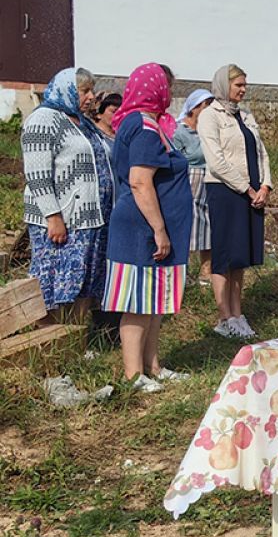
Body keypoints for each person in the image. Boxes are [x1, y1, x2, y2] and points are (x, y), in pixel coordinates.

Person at [102, 63, 193, 392]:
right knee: (138, 303)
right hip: (141, 227)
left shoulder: (148, 123)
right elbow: (140, 182)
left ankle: (152, 366)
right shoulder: (142, 126)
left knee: (153, 301)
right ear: (155, 88)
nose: (169, 92)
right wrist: (159, 228)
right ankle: (133, 375)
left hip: (151, 226)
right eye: (166, 85)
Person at [21, 67, 113, 324]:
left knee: (83, 280)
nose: (91, 96)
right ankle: (50, 338)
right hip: (61, 219)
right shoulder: (43, 119)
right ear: (67, 90)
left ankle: (77, 337)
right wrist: (53, 217)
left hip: (89, 219)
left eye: (91, 91)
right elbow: (37, 174)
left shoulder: (81, 122)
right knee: (51, 279)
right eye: (85, 91)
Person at [198, 64, 272, 339]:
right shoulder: (210, 116)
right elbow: (216, 161)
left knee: (241, 255)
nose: (243, 89)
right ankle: (224, 316)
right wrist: (247, 189)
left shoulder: (246, 114)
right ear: (223, 85)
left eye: (244, 84)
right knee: (225, 254)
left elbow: (261, 151)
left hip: (252, 191)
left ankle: (238, 314)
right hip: (226, 191)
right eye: (238, 85)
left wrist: (265, 185)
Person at [172, 89, 216, 282]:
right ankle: (184, 272)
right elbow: (176, 160)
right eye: (206, 106)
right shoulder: (181, 132)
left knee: (209, 224)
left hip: (210, 179)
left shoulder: (210, 130)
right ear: (195, 108)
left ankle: (206, 270)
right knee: (189, 224)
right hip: (189, 180)